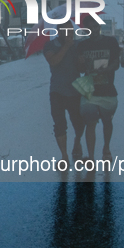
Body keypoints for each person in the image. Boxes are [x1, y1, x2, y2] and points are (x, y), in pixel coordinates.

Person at [76, 16, 120, 163]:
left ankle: (106, 148)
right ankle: (91, 157)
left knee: (107, 121)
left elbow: (116, 63)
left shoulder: (110, 42)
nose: (93, 30)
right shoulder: (82, 46)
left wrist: (107, 69)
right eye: (90, 27)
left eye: (95, 26)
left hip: (108, 90)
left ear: (99, 27)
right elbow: (81, 70)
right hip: (90, 91)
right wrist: (81, 63)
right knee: (91, 123)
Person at [43, 20, 84, 166]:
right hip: (57, 91)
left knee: (79, 122)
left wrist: (81, 60)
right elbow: (53, 61)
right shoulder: (50, 45)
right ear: (59, 31)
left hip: (75, 90)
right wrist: (66, 46)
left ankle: (77, 142)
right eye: (66, 31)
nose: (69, 34)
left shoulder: (78, 45)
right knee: (59, 124)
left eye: (71, 30)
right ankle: (64, 155)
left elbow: (82, 68)